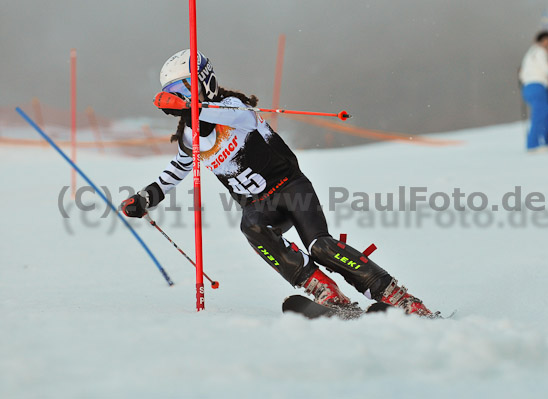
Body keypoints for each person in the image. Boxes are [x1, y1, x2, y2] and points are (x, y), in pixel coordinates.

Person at [120, 49, 435, 317]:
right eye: (176, 93)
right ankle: (326, 293)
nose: (184, 97)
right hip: (260, 205)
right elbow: (178, 168)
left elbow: (224, 116)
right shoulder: (190, 136)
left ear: (206, 81)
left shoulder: (234, 107)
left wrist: (192, 108)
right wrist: (146, 198)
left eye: (187, 88)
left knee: (321, 246)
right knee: (251, 226)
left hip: (290, 187)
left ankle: (399, 298)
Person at [519, 31, 548, 152]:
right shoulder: (540, 52)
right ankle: (533, 145)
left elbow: (522, 73)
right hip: (537, 86)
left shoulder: (531, 53)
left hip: (528, 87)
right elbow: (547, 70)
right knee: (539, 115)